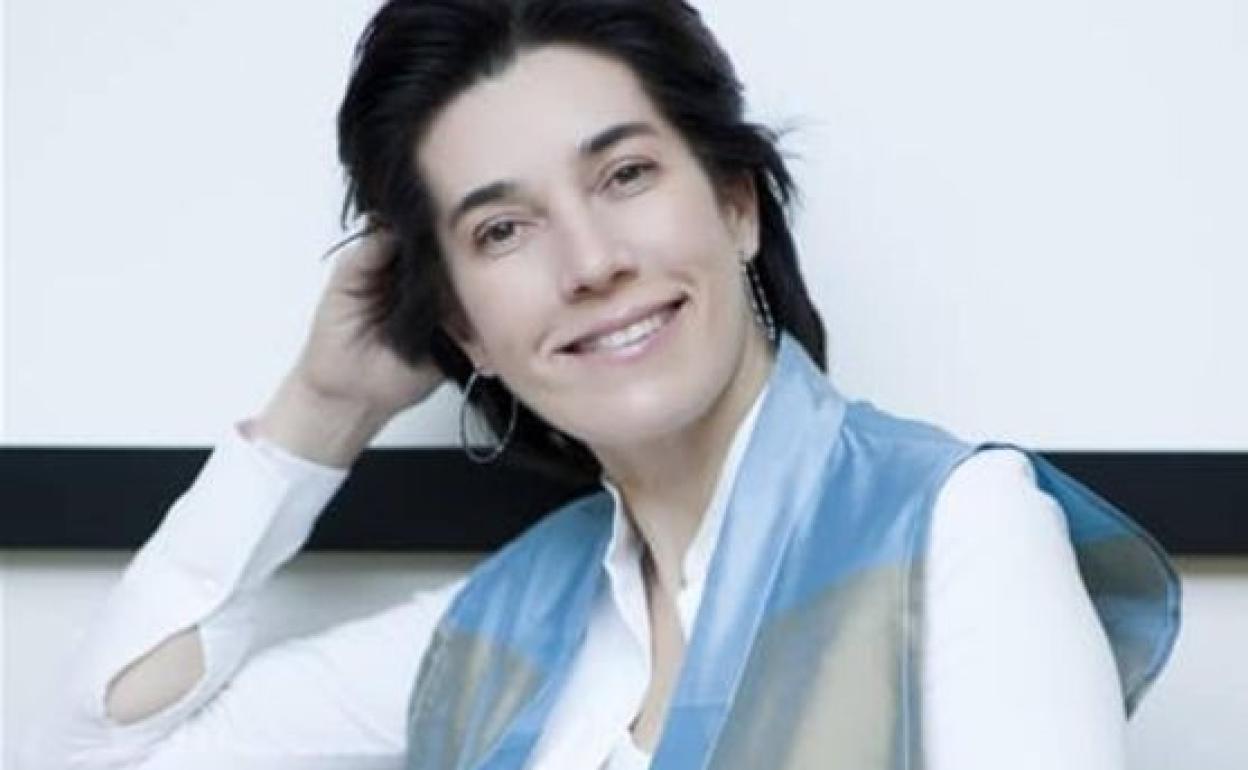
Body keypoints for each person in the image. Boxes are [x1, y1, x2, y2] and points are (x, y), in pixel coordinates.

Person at [27, 1, 1181, 768]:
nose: (589, 263)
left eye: (625, 174)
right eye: (502, 229)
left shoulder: (959, 527)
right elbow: (98, 749)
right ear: (464, 329)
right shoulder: (500, 630)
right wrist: (323, 410)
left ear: (735, 204)